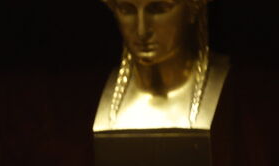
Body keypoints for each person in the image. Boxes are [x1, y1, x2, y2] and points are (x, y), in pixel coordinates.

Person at [96, 0, 226, 130]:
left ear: (192, 10)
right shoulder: (102, 97)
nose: (142, 31)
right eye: (127, 10)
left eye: (158, 9)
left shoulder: (225, 84)